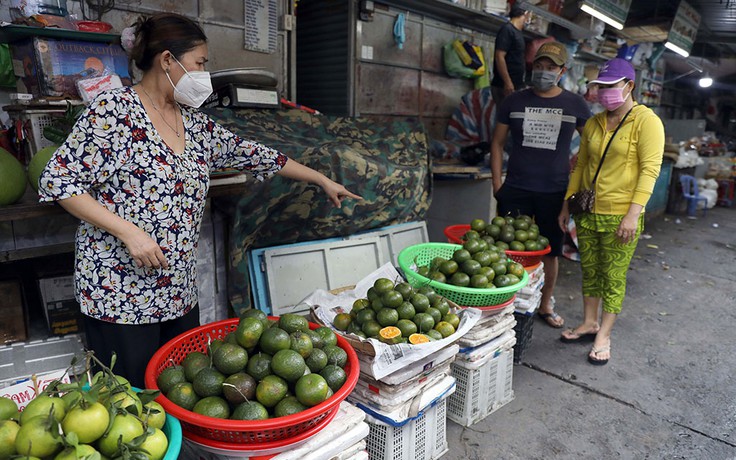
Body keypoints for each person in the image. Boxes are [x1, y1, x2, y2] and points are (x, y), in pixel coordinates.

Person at [37, 13, 361, 387]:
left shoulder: (193, 122)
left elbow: (255, 153)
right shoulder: (113, 113)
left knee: (179, 390)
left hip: (176, 290)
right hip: (119, 292)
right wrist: (129, 232)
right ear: (167, 61)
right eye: (200, 63)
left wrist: (320, 179)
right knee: (130, 397)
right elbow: (60, 182)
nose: (203, 74)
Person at [558, 58, 664, 365]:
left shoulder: (647, 122)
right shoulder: (594, 123)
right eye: (599, 86)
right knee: (589, 270)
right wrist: (567, 204)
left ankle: (604, 333)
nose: (603, 92)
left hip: (621, 215)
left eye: (609, 86)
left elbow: (649, 171)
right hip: (588, 212)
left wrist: (633, 215)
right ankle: (589, 321)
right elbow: (580, 168)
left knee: (613, 276)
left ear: (629, 86)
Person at [491, 42, 592, 329]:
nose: (544, 72)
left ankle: (545, 303)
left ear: (562, 71)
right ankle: (505, 305)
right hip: (516, 189)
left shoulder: (575, 104)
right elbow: (497, 144)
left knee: (550, 251)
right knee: (506, 249)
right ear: (531, 67)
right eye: (539, 66)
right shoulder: (514, 101)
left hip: (555, 191)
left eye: (551, 68)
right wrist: (498, 183)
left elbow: (592, 148)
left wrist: (574, 191)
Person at [490, 5, 530, 107]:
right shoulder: (507, 30)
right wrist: (508, 82)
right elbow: (499, 56)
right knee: (504, 118)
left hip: (515, 85)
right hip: (504, 86)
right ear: (525, 14)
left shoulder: (518, 32)